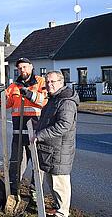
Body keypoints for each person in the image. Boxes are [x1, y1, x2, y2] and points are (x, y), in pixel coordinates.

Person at [0, 57, 48, 198]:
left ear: (31, 67)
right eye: (19, 68)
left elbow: (45, 101)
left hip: (37, 132)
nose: (22, 70)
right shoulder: (14, 86)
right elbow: (6, 104)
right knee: (16, 163)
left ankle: (35, 192)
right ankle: (14, 189)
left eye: (24, 67)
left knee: (37, 166)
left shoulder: (41, 82)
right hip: (18, 132)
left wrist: (30, 94)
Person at [30, 71, 79, 217]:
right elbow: (49, 119)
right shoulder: (54, 99)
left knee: (60, 183)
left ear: (61, 82)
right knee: (52, 181)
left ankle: (63, 212)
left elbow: (64, 125)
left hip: (60, 149)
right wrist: (37, 125)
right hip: (51, 149)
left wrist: (40, 134)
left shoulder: (66, 101)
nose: (49, 84)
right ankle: (59, 207)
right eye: (48, 82)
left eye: (53, 82)